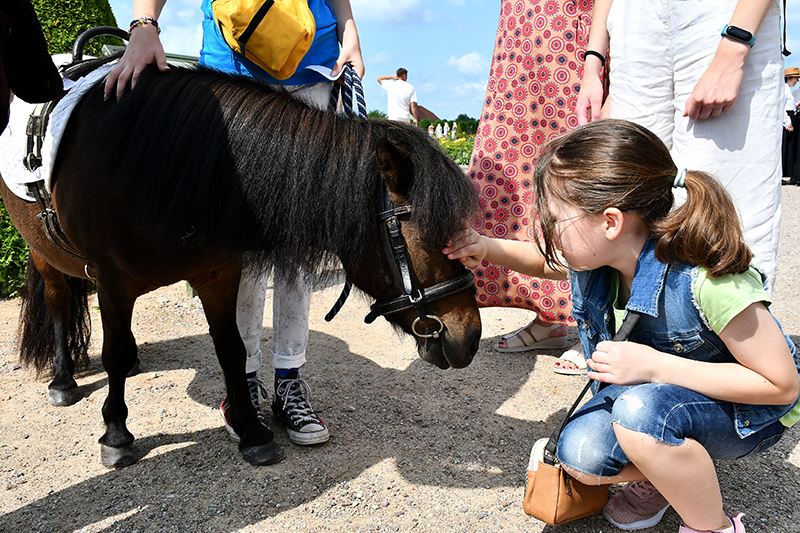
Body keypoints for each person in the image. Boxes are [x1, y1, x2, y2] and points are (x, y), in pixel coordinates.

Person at [444, 119, 800, 533]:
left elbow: (781, 386)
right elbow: (546, 262)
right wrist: (485, 247)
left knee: (640, 411)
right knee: (580, 452)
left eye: (555, 220)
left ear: (611, 222)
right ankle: (667, 471)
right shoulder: (597, 260)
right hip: (660, 402)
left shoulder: (708, 279)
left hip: (744, 414)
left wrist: (655, 367)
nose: (546, 231)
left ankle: (713, 526)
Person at [105, 0, 364, 454]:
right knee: (235, 249)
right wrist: (144, 24)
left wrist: (350, 32)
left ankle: (288, 379)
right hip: (236, 72)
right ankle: (243, 382)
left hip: (314, 67)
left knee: (297, 244)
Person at [577, 0, 784, 297]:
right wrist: (593, 64)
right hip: (631, 21)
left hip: (718, 14)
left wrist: (736, 42)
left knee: (727, 192)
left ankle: (739, 335)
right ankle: (647, 330)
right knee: (631, 194)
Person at [466, 0, 596, 374]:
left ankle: (588, 323)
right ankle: (551, 316)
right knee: (508, 172)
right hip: (520, 43)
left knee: (569, 170)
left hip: (572, 37)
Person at [782, 67, 800, 183]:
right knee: (784, 148)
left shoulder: (788, 89)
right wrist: (787, 121)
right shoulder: (784, 88)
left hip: (791, 115)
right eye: (796, 78)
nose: (797, 81)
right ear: (789, 78)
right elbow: (782, 106)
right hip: (787, 118)